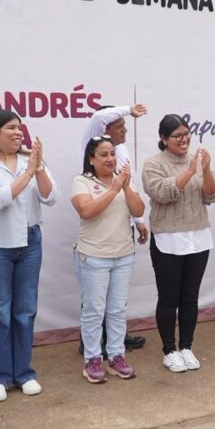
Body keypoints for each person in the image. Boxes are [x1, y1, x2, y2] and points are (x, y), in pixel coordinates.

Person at [0, 110, 58, 401]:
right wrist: (28, 172)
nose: (18, 132)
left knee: (25, 311)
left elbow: (51, 196)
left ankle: (24, 373)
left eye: (20, 127)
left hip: (30, 242)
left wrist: (38, 167)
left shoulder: (30, 160)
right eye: (11, 128)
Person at [141, 115, 215, 372]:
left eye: (186, 133)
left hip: (198, 236)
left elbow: (212, 195)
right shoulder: (153, 163)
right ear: (164, 139)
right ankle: (169, 350)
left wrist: (205, 170)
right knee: (168, 298)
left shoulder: (197, 161)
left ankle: (186, 346)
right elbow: (161, 193)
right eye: (177, 135)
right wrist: (189, 171)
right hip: (167, 238)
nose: (184, 139)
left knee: (190, 297)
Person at [72, 135, 145, 381]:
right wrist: (114, 189)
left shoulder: (122, 181)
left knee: (117, 310)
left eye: (113, 153)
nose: (110, 159)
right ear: (91, 159)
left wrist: (125, 187)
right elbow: (87, 211)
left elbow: (139, 210)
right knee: (94, 310)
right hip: (94, 257)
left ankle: (116, 357)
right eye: (103, 154)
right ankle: (93, 360)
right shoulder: (82, 181)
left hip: (123, 255)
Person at [80, 103, 149, 352]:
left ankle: (114, 340)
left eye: (125, 125)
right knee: (95, 297)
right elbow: (99, 116)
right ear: (104, 130)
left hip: (123, 225)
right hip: (99, 226)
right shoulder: (92, 142)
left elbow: (130, 186)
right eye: (119, 126)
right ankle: (90, 345)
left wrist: (138, 221)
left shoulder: (123, 151)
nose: (125, 130)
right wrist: (129, 108)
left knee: (117, 297)